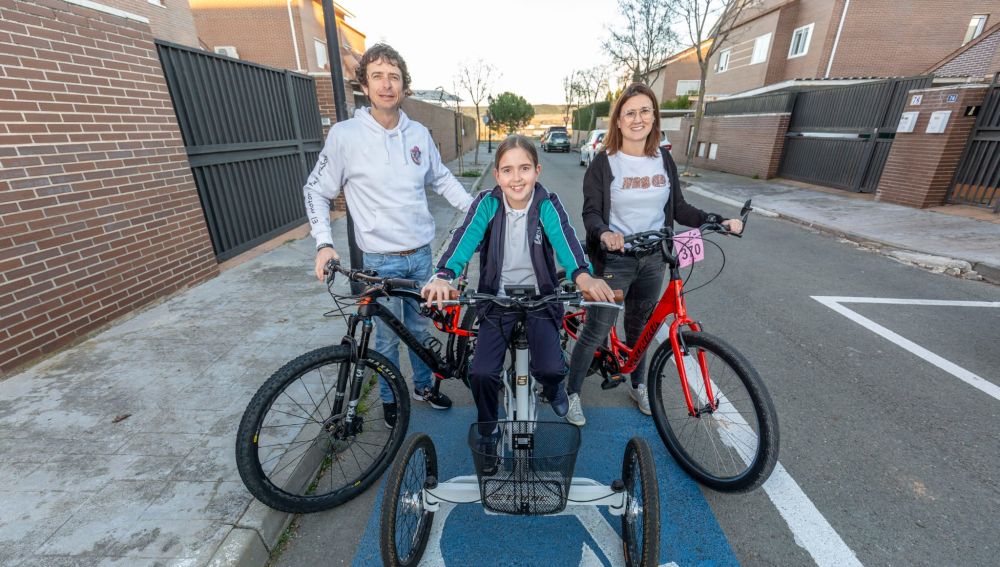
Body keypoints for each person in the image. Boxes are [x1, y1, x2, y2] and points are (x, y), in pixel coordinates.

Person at [303, 43, 474, 427]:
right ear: (365, 83)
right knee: (383, 339)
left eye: (394, 76)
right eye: (378, 75)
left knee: (418, 328)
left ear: (404, 86)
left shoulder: (417, 133)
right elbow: (316, 190)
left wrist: (478, 211)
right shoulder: (346, 136)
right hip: (377, 262)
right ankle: (388, 396)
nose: (386, 84)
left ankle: (424, 386)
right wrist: (323, 243)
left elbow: (442, 179)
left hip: (421, 256)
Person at [421, 135, 615, 463]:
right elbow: (464, 239)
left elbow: (565, 240)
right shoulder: (486, 203)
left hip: (540, 300)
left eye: (524, 168)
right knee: (481, 372)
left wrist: (582, 275)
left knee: (552, 368)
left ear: (537, 171)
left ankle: (554, 391)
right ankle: (487, 426)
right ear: (496, 175)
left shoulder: (546, 204)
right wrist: (444, 275)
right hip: (496, 302)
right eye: (508, 170)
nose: (516, 178)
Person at [565, 83, 743, 426]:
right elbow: (591, 214)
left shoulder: (663, 159)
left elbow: (680, 208)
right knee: (597, 327)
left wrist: (717, 221)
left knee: (641, 326)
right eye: (630, 112)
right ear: (618, 120)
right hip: (617, 259)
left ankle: (639, 384)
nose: (638, 118)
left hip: (655, 258)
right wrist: (605, 233)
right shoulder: (605, 163)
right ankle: (571, 393)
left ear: (654, 117)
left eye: (645, 111)